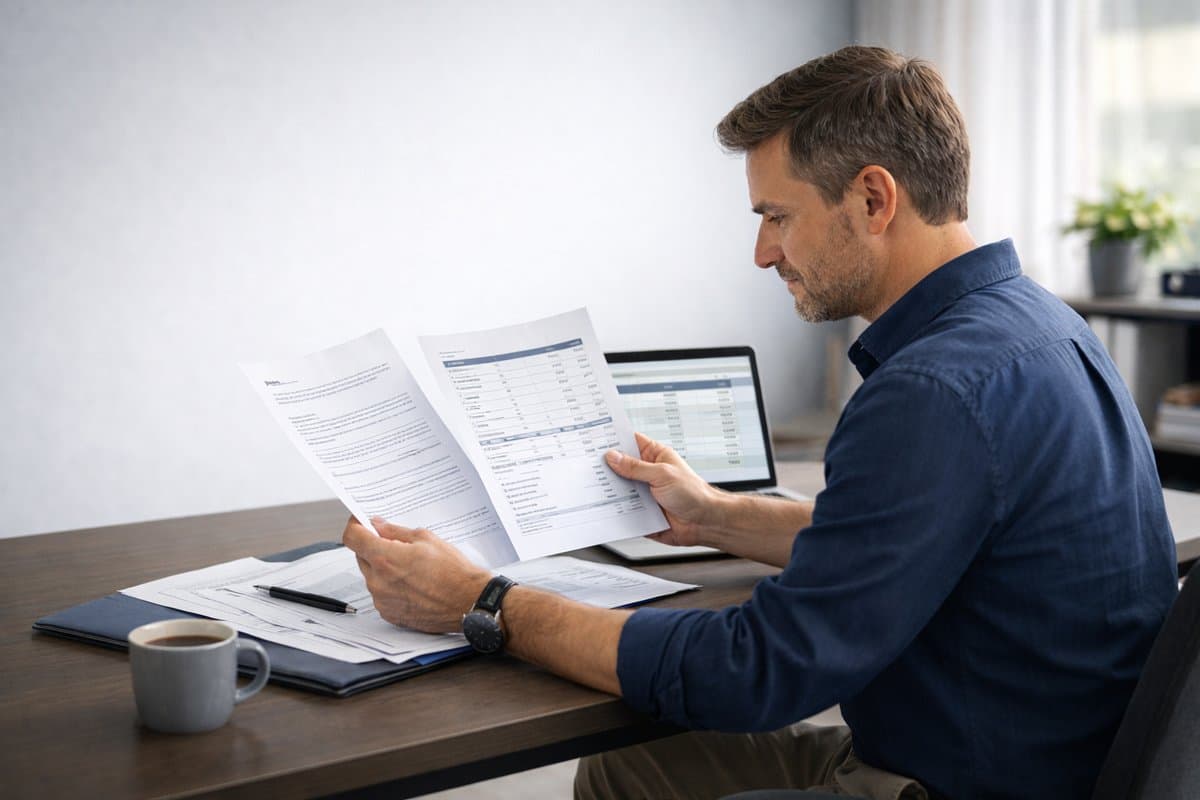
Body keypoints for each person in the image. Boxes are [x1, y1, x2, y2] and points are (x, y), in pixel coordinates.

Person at [342, 45, 1177, 799]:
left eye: (776, 216)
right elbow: (910, 535)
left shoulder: (932, 390)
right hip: (1037, 761)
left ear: (874, 197)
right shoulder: (1042, 324)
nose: (764, 253)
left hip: (943, 784)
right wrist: (717, 516)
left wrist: (482, 601)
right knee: (629, 765)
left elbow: (754, 672)